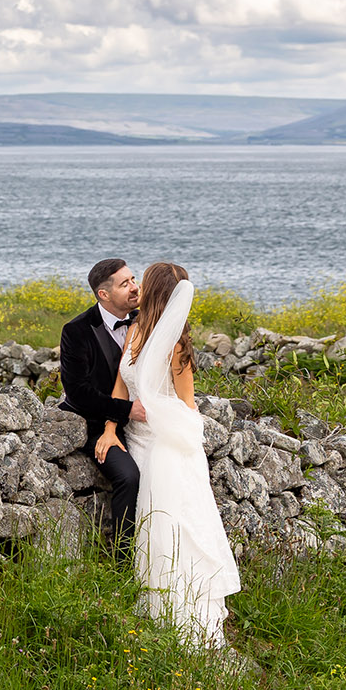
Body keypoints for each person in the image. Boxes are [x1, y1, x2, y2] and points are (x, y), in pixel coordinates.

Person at [106, 262, 241, 648]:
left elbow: (185, 403)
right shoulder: (135, 330)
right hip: (136, 438)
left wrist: (177, 434)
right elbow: (120, 388)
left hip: (164, 443)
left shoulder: (176, 344)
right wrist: (111, 430)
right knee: (153, 526)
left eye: (143, 281)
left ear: (155, 289)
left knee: (172, 526)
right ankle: (154, 605)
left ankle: (182, 613)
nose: (137, 286)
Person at [58, 258, 147, 558]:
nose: (134, 287)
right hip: (94, 424)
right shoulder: (76, 331)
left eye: (133, 279)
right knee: (128, 476)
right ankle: (123, 562)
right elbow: (79, 394)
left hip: (143, 420)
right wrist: (126, 411)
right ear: (104, 294)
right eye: (125, 284)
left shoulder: (146, 321)